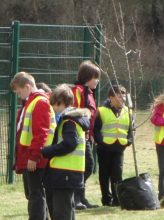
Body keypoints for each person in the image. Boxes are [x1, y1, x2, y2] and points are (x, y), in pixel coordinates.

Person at [10, 71, 56, 220]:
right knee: (34, 194)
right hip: (31, 156)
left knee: (36, 195)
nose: (19, 96)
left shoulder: (39, 102)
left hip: (36, 158)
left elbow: (41, 132)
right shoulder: (31, 102)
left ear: (27, 86)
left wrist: (34, 156)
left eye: (19, 91)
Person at [41, 84, 91, 220]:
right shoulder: (74, 119)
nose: (53, 109)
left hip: (65, 172)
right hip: (68, 172)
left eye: (55, 105)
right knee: (67, 210)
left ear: (61, 102)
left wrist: (47, 151)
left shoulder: (69, 121)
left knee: (61, 213)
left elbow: (69, 144)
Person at [94, 85, 132, 206]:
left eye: (124, 95)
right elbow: (96, 129)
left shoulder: (128, 112)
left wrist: (129, 140)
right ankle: (106, 199)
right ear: (111, 97)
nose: (122, 98)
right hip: (104, 149)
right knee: (104, 175)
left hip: (119, 148)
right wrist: (101, 142)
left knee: (117, 174)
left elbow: (131, 129)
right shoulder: (101, 110)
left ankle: (117, 199)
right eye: (119, 95)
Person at [72, 60, 100, 209]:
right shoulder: (78, 90)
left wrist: (91, 134)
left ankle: (81, 198)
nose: (97, 80)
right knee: (86, 166)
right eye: (96, 77)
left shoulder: (89, 92)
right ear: (88, 77)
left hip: (87, 136)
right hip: (78, 135)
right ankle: (76, 198)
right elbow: (75, 112)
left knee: (88, 166)